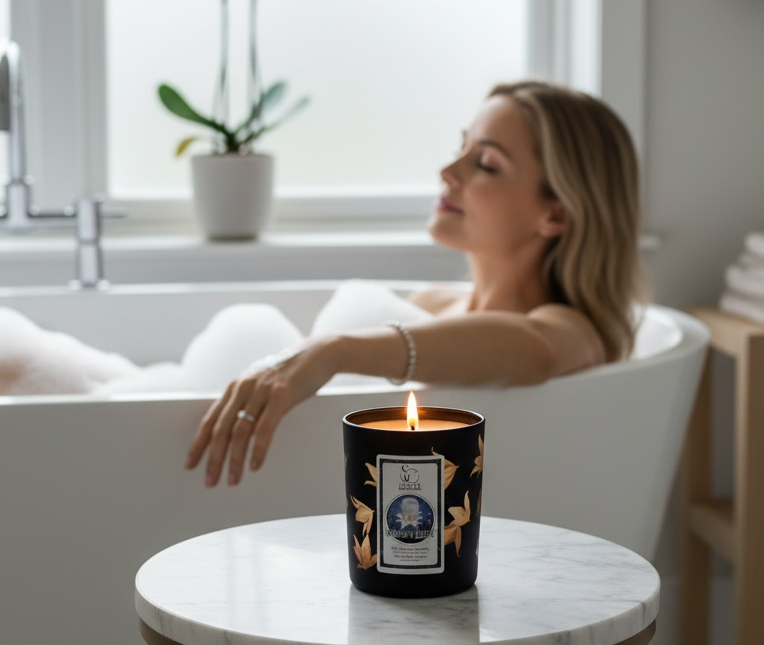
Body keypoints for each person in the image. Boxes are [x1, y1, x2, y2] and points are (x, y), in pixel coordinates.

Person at [185, 80, 643, 488]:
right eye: (460, 148)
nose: (448, 172)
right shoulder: (429, 305)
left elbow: (535, 350)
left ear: (555, 214)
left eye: (485, 163)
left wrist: (333, 350)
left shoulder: (572, 331)